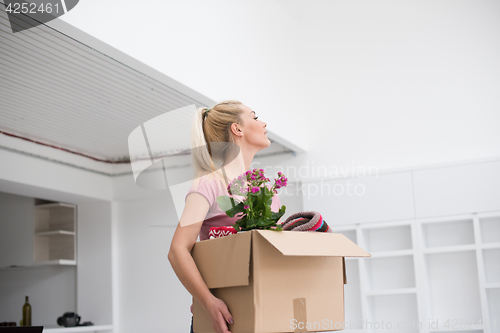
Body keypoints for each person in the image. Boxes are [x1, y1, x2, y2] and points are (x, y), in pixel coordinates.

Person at [167, 100, 282, 333]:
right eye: (255, 117)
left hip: (266, 311)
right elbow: (177, 250)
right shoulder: (209, 185)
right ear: (237, 129)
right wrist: (208, 302)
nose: (264, 123)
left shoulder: (266, 190)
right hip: (224, 317)